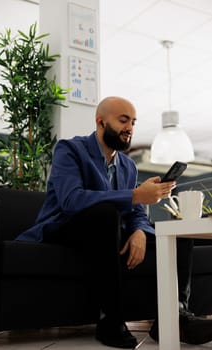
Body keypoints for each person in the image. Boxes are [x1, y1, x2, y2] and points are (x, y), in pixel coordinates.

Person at [16, 96, 212, 349]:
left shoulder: (127, 166)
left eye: (133, 122)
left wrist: (140, 231)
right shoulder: (70, 150)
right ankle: (110, 320)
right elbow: (71, 200)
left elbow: (137, 213)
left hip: (110, 232)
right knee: (106, 214)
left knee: (176, 234)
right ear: (101, 122)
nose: (130, 127)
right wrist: (135, 195)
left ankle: (175, 317)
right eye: (123, 120)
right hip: (64, 227)